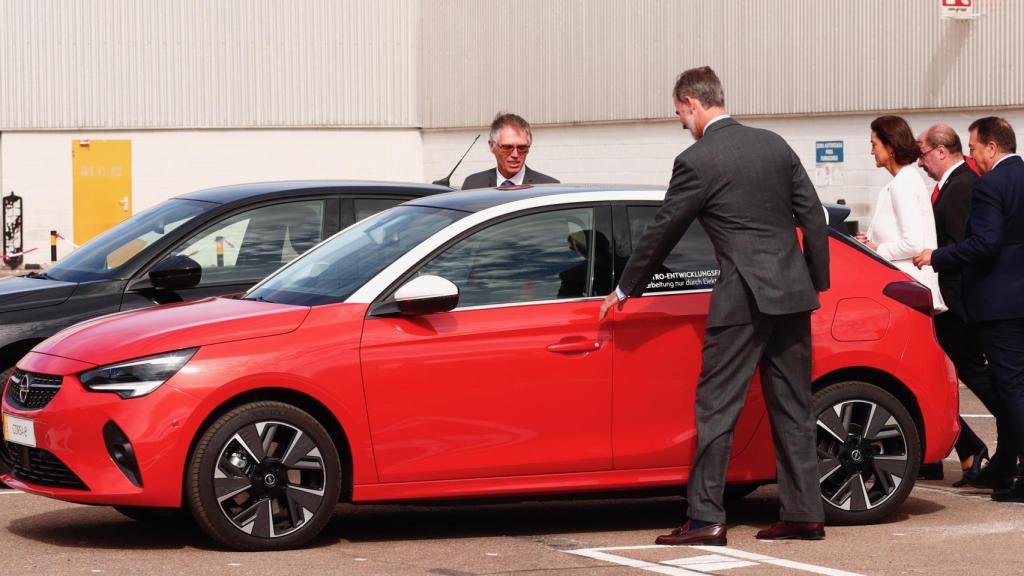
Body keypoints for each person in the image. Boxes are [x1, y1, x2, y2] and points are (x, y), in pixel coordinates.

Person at [599, 66, 829, 545]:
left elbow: (664, 228)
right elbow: (813, 213)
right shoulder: (774, 145)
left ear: (691, 103)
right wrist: (814, 281)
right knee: (794, 407)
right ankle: (805, 513)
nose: (683, 123)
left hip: (742, 296)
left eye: (681, 114)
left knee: (716, 407)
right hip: (791, 293)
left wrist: (625, 289)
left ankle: (705, 518)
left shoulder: (698, 160)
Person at [914, 117, 1024, 502]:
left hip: (999, 303)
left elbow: (985, 242)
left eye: (975, 147)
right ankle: (1004, 464)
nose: (972, 155)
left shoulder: (990, 185)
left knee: (1010, 389)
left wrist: (936, 256)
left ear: (992, 147)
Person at [856, 116, 945, 312]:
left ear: (890, 146)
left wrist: (875, 248)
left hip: (908, 293)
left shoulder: (904, 183)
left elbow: (914, 245)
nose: (871, 151)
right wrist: (868, 240)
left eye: (874, 144)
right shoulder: (898, 183)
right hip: (904, 291)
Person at [462, 113, 559, 189]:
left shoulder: (548, 188)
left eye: (521, 148)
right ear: (492, 146)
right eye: (507, 147)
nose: (515, 154)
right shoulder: (473, 186)